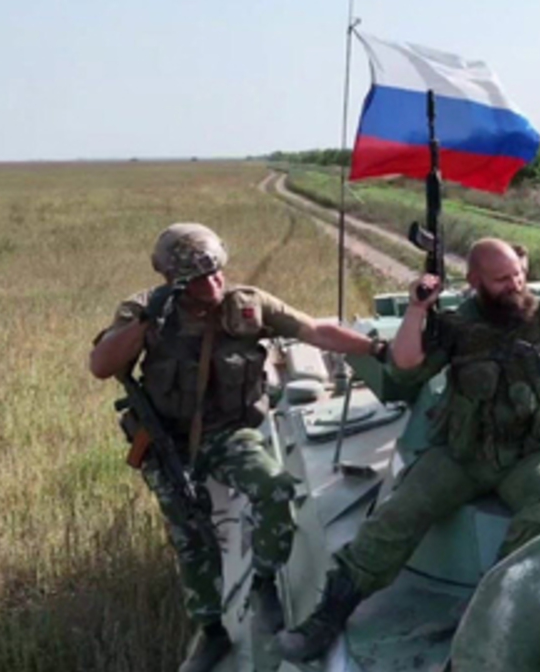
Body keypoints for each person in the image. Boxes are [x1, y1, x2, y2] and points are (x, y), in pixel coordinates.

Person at [277, 237, 540, 662]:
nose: (515, 284)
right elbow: (405, 370)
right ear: (476, 281)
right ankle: (327, 616)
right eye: (502, 279)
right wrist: (417, 310)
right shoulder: (457, 325)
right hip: (464, 455)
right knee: (398, 512)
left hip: (528, 455)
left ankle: (494, 605)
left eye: (519, 274)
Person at [89, 222, 384, 672]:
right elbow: (102, 364)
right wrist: (149, 319)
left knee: (276, 488)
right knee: (191, 536)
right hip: (168, 439)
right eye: (200, 279)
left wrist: (376, 349)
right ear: (173, 281)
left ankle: (264, 581)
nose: (214, 284)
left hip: (230, 433)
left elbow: (314, 332)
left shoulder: (247, 305)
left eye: (218, 273)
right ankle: (212, 632)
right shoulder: (144, 310)